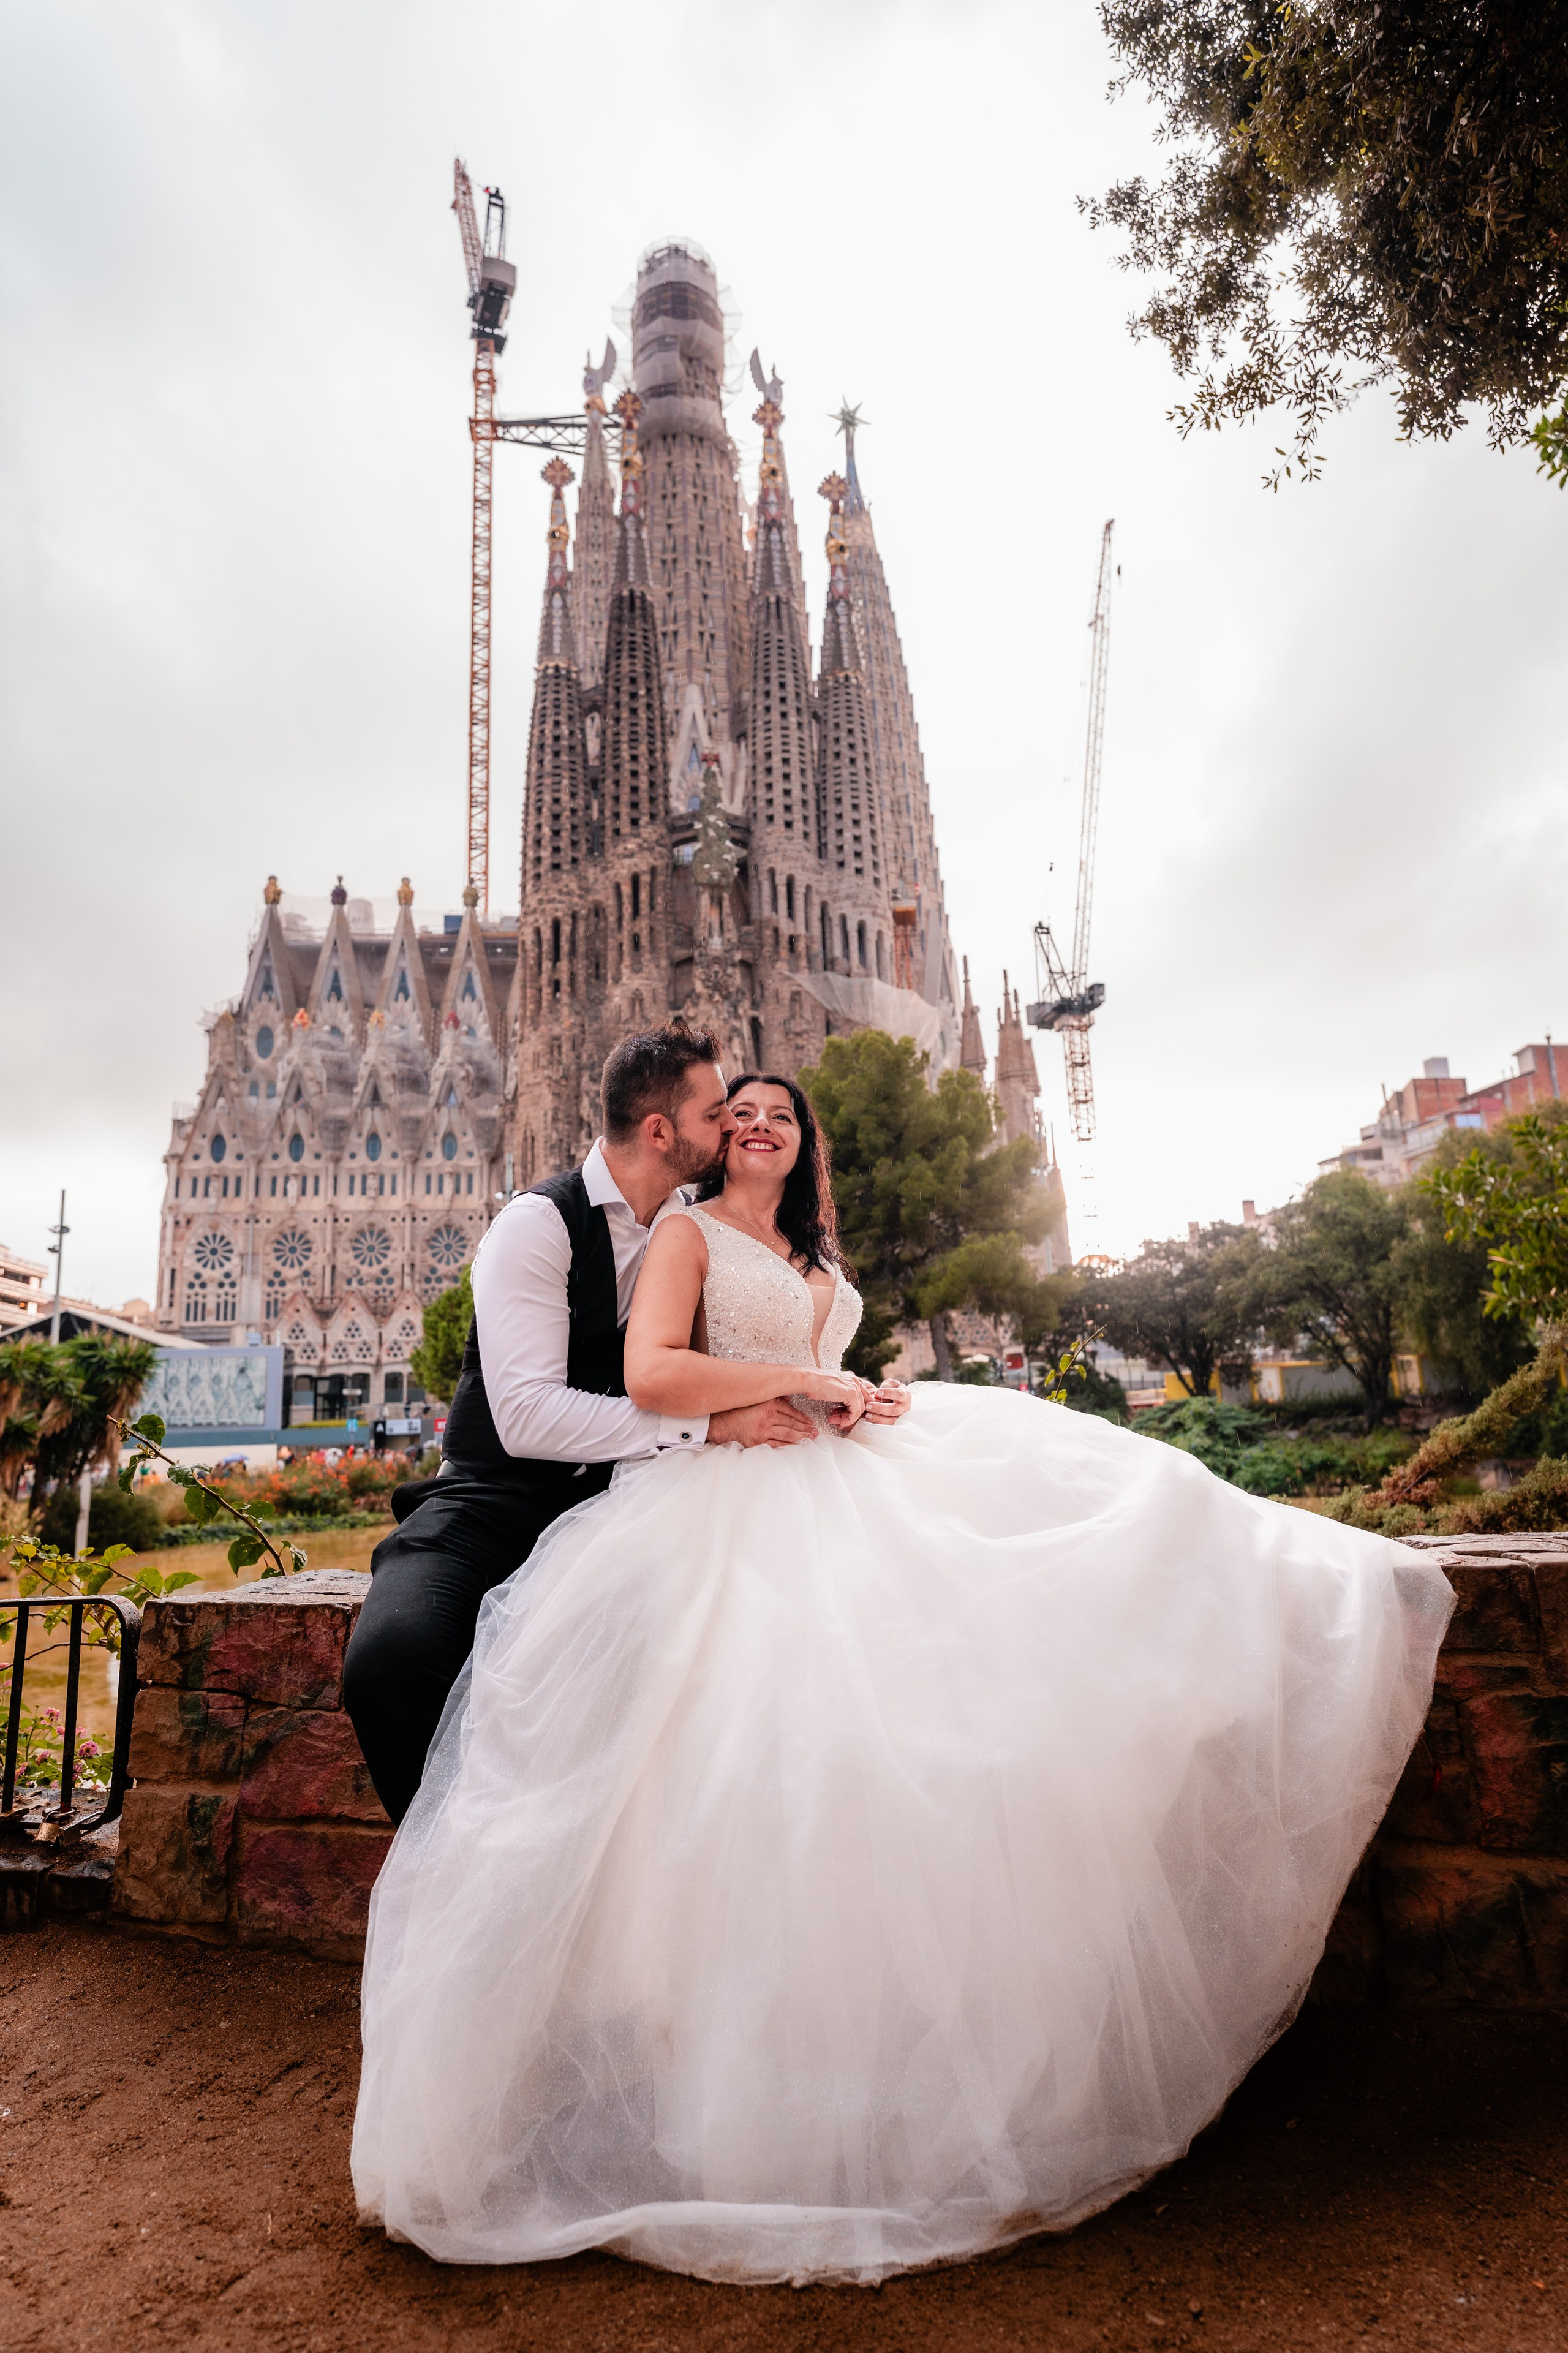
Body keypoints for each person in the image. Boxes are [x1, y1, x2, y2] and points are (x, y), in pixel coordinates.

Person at [352, 1073, 1453, 2287]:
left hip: (822, 1478)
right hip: (684, 1502)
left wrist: (846, 1387)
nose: (756, 1122)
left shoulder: (803, 1244)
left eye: (777, 1110)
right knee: (735, 1772)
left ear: (805, 1136)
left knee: (1049, 1608)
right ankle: (643, 2050)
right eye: (737, 1108)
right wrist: (786, 1393)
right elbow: (651, 1375)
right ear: (692, 1131)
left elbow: (788, 1359)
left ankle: (885, 2067)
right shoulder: (660, 1226)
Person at [342, 1026, 908, 1826]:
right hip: (496, 1501)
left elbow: (766, 1341)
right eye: (718, 1113)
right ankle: (456, 1869)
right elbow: (529, 1414)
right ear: (660, 1130)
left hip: (629, 1495)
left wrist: (840, 1390)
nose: (735, 1126)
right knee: (391, 1661)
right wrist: (707, 1427)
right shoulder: (535, 1225)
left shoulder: (699, 1224)